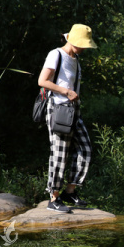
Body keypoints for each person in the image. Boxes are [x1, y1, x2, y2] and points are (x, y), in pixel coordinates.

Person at [37, 24, 97, 213]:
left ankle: (69, 192)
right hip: (58, 109)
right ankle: (53, 198)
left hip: (73, 111)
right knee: (60, 154)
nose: (85, 48)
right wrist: (66, 91)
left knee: (85, 148)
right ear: (72, 41)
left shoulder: (75, 58)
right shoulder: (56, 54)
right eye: (83, 44)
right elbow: (42, 81)